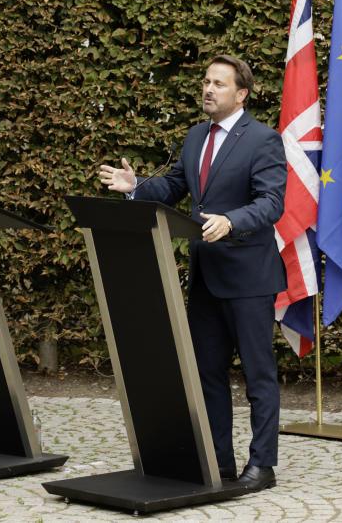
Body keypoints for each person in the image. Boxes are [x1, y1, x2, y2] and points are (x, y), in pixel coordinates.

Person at [98, 54, 286, 492]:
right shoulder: (195, 136)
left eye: (218, 84)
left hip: (249, 278)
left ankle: (262, 466)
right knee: (207, 372)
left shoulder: (263, 140)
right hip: (205, 275)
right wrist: (137, 187)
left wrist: (232, 220)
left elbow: (272, 201)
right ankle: (219, 461)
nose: (208, 89)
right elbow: (175, 186)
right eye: (206, 81)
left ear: (241, 93)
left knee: (258, 374)